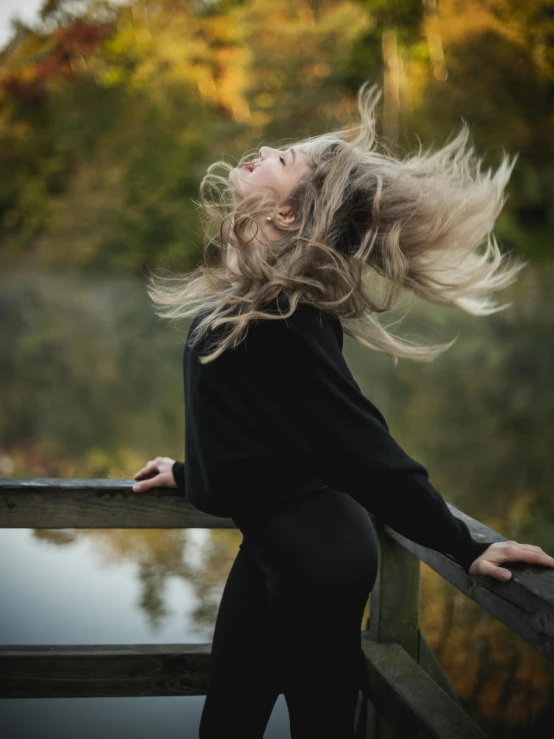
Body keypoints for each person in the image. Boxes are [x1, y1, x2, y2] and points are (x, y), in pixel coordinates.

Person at [131, 84, 554, 738]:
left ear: (288, 217)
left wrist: (463, 544)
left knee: (318, 722)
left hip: (319, 558)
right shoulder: (259, 300)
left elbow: (361, 448)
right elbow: (259, 447)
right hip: (275, 544)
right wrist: (187, 474)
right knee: (226, 722)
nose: (265, 147)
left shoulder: (286, 316)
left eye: (283, 158)